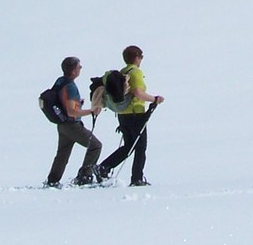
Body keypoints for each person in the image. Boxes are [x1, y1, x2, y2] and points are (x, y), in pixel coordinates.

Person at [97, 45, 164, 186]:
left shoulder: (123, 72)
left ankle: (104, 167)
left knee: (129, 146)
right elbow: (138, 92)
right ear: (137, 57)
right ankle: (137, 178)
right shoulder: (135, 73)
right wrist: (155, 99)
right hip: (136, 114)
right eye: (141, 57)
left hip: (122, 115)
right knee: (140, 147)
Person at [45, 56, 103, 187]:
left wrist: (78, 104)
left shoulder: (60, 81)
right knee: (95, 145)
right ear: (73, 71)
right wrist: (91, 111)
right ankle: (85, 176)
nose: (80, 69)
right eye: (79, 67)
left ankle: (53, 180)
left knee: (62, 154)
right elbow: (71, 111)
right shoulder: (70, 86)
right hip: (72, 125)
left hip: (62, 125)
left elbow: (62, 101)